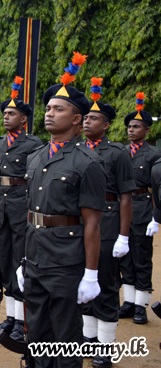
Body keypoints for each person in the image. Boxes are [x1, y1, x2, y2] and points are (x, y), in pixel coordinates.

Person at [17, 52, 106, 368]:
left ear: (77, 119)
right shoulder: (36, 157)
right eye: (48, 108)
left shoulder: (87, 163)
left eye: (59, 109)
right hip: (36, 257)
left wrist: (91, 275)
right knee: (37, 331)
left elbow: (92, 224)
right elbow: (30, 214)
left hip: (66, 261)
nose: (49, 113)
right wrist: (23, 260)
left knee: (66, 335)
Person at [80, 77, 135, 368]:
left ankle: (105, 344)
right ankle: (88, 338)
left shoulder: (117, 153)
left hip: (109, 219)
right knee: (85, 281)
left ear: (107, 124)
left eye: (95, 118)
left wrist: (123, 236)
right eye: (86, 116)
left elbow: (126, 197)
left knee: (106, 282)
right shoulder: (77, 148)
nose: (88, 122)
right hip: (82, 219)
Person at [0, 76, 42, 343]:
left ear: (24, 119)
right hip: (4, 208)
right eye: (5, 113)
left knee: (22, 263)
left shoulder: (34, 144)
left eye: (12, 113)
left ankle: (23, 322)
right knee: (6, 263)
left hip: (23, 207)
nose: (6, 117)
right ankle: (10, 318)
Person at [118, 92, 160, 325]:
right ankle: (129, 301)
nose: (131, 130)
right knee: (124, 257)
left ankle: (141, 305)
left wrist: (156, 216)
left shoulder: (154, 154)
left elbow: (157, 187)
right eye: (130, 126)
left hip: (143, 206)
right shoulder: (121, 152)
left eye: (137, 126)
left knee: (142, 256)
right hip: (122, 208)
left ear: (147, 131)